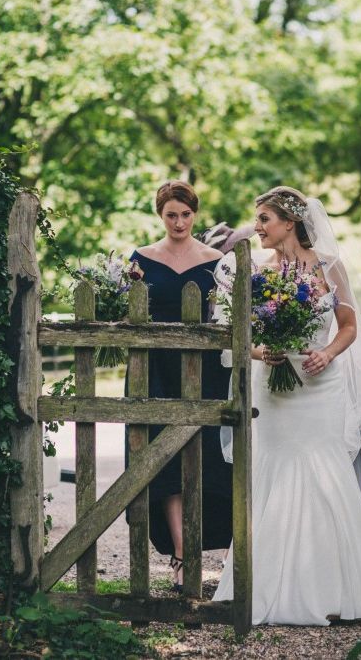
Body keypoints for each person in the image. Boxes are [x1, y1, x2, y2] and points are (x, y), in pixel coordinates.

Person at [212, 186, 361, 625]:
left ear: (290, 222)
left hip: (320, 383)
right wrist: (263, 353)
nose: (256, 228)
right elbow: (236, 336)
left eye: (264, 219)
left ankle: (335, 587)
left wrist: (328, 353)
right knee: (273, 471)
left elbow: (351, 324)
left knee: (324, 473)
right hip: (273, 389)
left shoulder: (329, 266)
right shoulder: (254, 270)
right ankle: (267, 585)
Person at [125, 180, 232, 591]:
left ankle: (218, 553)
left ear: (195, 214)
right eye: (171, 214)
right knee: (165, 461)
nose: (179, 222)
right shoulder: (141, 260)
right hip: (156, 371)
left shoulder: (216, 261)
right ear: (160, 215)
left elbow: (226, 315)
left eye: (186, 214)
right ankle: (183, 555)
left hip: (207, 371)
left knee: (208, 458)